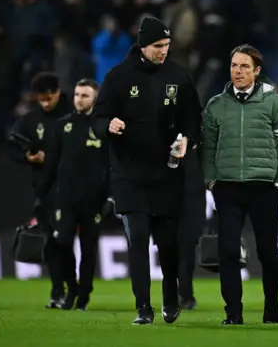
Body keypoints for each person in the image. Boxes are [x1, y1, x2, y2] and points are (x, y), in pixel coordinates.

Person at [91, 16, 202, 325]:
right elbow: (98, 118)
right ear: (142, 45)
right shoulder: (118, 77)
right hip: (129, 173)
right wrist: (108, 125)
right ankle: (143, 307)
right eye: (157, 46)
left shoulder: (179, 76)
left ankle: (170, 295)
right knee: (137, 237)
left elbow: (194, 118)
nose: (163, 51)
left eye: (166, 45)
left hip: (166, 173)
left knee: (168, 244)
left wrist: (188, 139)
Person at [200, 44, 278, 325]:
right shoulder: (216, 105)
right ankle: (233, 313)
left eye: (245, 66)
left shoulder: (276, 103)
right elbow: (206, 147)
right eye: (234, 65)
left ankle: (272, 306)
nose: (238, 71)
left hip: (264, 189)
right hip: (227, 189)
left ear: (257, 71)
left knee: (267, 251)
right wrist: (211, 181)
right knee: (228, 251)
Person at [36, 79, 110, 310]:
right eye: (77, 94)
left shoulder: (104, 127)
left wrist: (111, 197)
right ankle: (72, 288)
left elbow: (113, 165)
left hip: (93, 201)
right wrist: (41, 195)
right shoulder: (62, 126)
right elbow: (52, 164)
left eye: (85, 95)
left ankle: (84, 295)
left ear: (95, 99)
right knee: (62, 243)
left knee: (88, 250)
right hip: (65, 199)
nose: (79, 99)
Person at [8, 72, 73, 309]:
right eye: (41, 99)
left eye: (49, 98)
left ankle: (75, 288)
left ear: (57, 92)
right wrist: (29, 156)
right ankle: (58, 290)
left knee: (66, 241)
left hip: (72, 188)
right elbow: (13, 142)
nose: (45, 103)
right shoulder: (31, 119)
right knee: (54, 242)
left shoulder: (72, 115)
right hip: (45, 190)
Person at [178, 144, 206, 310]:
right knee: (174, 248)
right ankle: (181, 293)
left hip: (194, 200)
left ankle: (184, 293)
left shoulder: (200, 143)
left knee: (187, 249)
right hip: (171, 197)